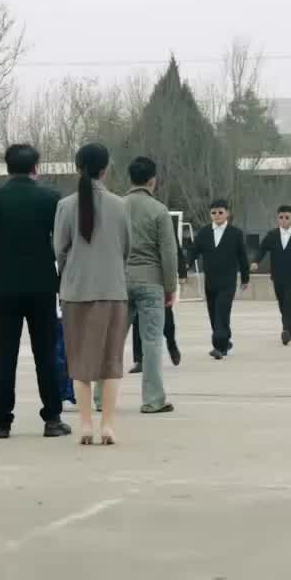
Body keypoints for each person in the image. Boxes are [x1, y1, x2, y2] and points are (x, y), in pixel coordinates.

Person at [0, 142, 70, 440]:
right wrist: (63, 281)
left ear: (8, 167)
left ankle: (1, 422)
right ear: (35, 167)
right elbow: (62, 244)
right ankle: (52, 418)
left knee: (4, 356)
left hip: (4, 287)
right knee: (46, 354)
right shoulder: (51, 198)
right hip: (42, 286)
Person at [54, 143, 131, 445]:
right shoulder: (120, 205)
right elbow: (126, 248)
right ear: (105, 169)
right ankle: (108, 425)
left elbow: (59, 250)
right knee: (111, 362)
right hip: (112, 290)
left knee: (80, 363)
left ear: (77, 168)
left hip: (76, 292)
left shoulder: (65, 206)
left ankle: (85, 425)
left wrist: (72, 271)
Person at [123, 155, 178, 416]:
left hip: (120, 281)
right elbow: (168, 253)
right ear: (153, 180)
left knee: (112, 341)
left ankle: (100, 396)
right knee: (152, 341)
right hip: (151, 281)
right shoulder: (159, 210)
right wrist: (170, 286)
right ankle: (153, 399)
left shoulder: (116, 207)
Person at [189, 200, 250, 359]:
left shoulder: (235, 233)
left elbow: (242, 257)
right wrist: (185, 266)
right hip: (210, 282)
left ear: (227, 213)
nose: (217, 216)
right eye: (214, 213)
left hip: (228, 282)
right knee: (213, 314)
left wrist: (245, 278)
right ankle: (225, 341)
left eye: (220, 212)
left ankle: (219, 346)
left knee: (222, 312)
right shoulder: (204, 233)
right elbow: (193, 251)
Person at [253, 204, 291, 344]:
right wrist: (256, 261)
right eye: (281, 217)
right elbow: (262, 249)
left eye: (287, 217)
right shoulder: (272, 235)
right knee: (282, 303)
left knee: (289, 301)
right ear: (277, 218)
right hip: (277, 275)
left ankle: (286, 330)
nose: (284, 220)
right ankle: (290, 328)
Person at [131, 214, 183, 374]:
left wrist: (179, 273)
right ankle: (140, 359)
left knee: (166, 317)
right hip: (134, 277)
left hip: (157, 277)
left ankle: (171, 343)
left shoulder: (160, 219)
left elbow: (173, 250)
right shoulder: (128, 219)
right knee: (137, 319)